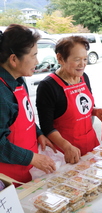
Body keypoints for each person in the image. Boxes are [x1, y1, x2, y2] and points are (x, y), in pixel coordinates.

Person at [36, 36, 102, 164]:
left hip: (91, 144)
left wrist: (95, 111)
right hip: (66, 152)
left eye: (85, 59)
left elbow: (84, 107)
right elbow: (46, 127)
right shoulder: (48, 86)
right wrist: (66, 146)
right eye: (77, 60)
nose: (82, 64)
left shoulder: (83, 77)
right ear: (60, 58)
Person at [0, 24, 56, 185]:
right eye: (33, 56)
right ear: (13, 60)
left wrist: (38, 134)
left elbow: (25, 115)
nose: (37, 62)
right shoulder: (1, 93)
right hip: (8, 178)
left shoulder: (19, 79)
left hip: (27, 169)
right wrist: (32, 158)